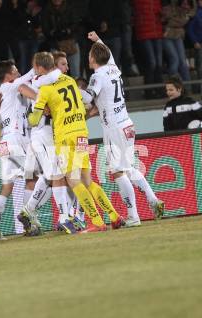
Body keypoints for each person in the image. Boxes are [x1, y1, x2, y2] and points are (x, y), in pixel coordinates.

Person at [27, 64, 125, 233]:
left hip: (65, 138)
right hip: (81, 132)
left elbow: (33, 121)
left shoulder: (45, 89)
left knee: (73, 181)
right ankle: (114, 216)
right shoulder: (70, 80)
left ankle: (97, 221)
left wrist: (39, 111)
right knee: (88, 180)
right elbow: (84, 101)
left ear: (41, 69)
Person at [82, 31, 164, 226]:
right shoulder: (113, 68)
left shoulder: (97, 76)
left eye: (89, 55)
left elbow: (87, 98)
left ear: (93, 58)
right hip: (127, 123)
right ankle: (153, 200)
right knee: (128, 167)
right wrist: (98, 40)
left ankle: (133, 216)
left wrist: (70, 90)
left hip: (114, 129)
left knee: (119, 172)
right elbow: (107, 53)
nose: (88, 57)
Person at [18, 51, 84, 234]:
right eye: (62, 64)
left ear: (39, 67)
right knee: (57, 175)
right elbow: (21, 87)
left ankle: (28, 210)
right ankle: (64, 218)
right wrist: (39, 100)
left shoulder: (47, 82)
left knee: (51, 176)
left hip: (51, 135)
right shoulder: (43, 82)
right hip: (42, 134)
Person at [0, 61, 37, 240]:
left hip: (5, 142)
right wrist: (40, 63)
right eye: (15, 70)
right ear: (8, 75)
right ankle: (30, 221)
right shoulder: (11, 86)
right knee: (34, 178)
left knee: (7, 185)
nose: (18, 72)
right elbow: (31, 74)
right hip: (16, 139)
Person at [162, 0, 193, 81]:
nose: (185, 6)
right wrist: (175, 22)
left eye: (187, 4)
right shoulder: (170, 8)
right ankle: (174, 85)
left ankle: (187, 86)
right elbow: (164, 20)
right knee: (174, 59)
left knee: (183, 61)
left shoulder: (187, 13)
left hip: (178, 36)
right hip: (167, 35)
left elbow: (181, 21)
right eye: (184, 3)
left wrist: (172, 21)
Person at [187, 0, 202, 80]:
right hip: (199, 44)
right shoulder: (195, 13)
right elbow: (190, 29)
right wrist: (195, 41)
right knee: (200, 67)